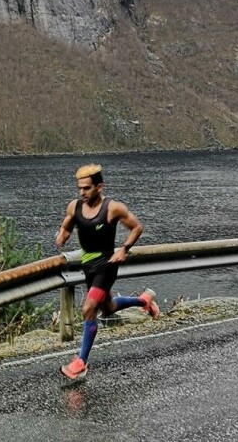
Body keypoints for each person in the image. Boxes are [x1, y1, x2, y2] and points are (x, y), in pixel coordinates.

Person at [54, 163, 160, 381]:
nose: (82, 193)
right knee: (108, 308)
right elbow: (66, 226)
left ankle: (80, 363)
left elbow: (137, 227)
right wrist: (62, 236)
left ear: (99, 187)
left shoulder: (113, 208)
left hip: (107, 264)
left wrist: (124, 249)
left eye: (87, 188)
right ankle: (144, 301)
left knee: (89, 308)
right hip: (88, 265)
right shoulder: (74, 206)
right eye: (80, 188)